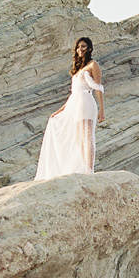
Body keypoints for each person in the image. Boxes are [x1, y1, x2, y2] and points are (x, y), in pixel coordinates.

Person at [34, 36, 105, 180]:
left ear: (89, 48)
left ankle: (89, 170)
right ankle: (84, 168)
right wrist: (59, 111)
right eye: (78, 47)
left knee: (87, 137)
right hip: (75, 104)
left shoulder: (93, 65)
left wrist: (102, 108)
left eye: (83, 47)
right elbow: (73, 94)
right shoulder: (78, 69)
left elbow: (98, 87)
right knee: (79, 138)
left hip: (86, 102)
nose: (80, 50)